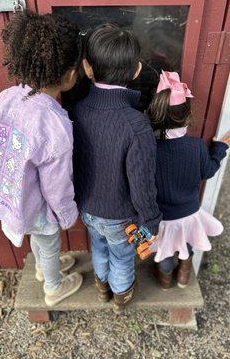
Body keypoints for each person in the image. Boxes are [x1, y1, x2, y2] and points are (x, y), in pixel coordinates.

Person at [0, 10, 83, 306]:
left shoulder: (6, 98)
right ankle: (53, 285)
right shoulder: (54, 124)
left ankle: (42, 267)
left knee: (38, 238)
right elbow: (57, 185)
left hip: (9, 190)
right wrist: (67, 214)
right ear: (69, 75)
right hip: (34, 200)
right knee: (47, 238)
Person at [72, 24, 161, 313]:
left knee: (97, 245)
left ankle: (101, 287)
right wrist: (151, 221)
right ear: (136, 71)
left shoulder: (77, 111)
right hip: (120, 216)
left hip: (86, 207)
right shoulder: (136, 125)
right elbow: (142, 183)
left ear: (87, 67)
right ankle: (121, 295)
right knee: (122, 255)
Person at [147, 71, 230, 289]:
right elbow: (208, 170)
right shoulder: (196, 147)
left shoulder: (150, 150)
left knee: (166, 252)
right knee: (187, 245)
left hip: (163, 218)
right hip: (189, 214)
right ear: (188, 118)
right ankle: (184, 276)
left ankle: (165, 279)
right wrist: (219, 148)